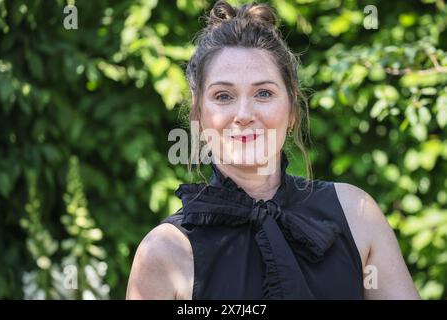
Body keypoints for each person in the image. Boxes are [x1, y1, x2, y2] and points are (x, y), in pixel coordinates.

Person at [126, 1, 420, 300]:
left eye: (263, 93)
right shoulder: (165, 252)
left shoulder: (356, 215)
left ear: (292, 110)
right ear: (198, 115)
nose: (243, 113)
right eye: (223, 96)